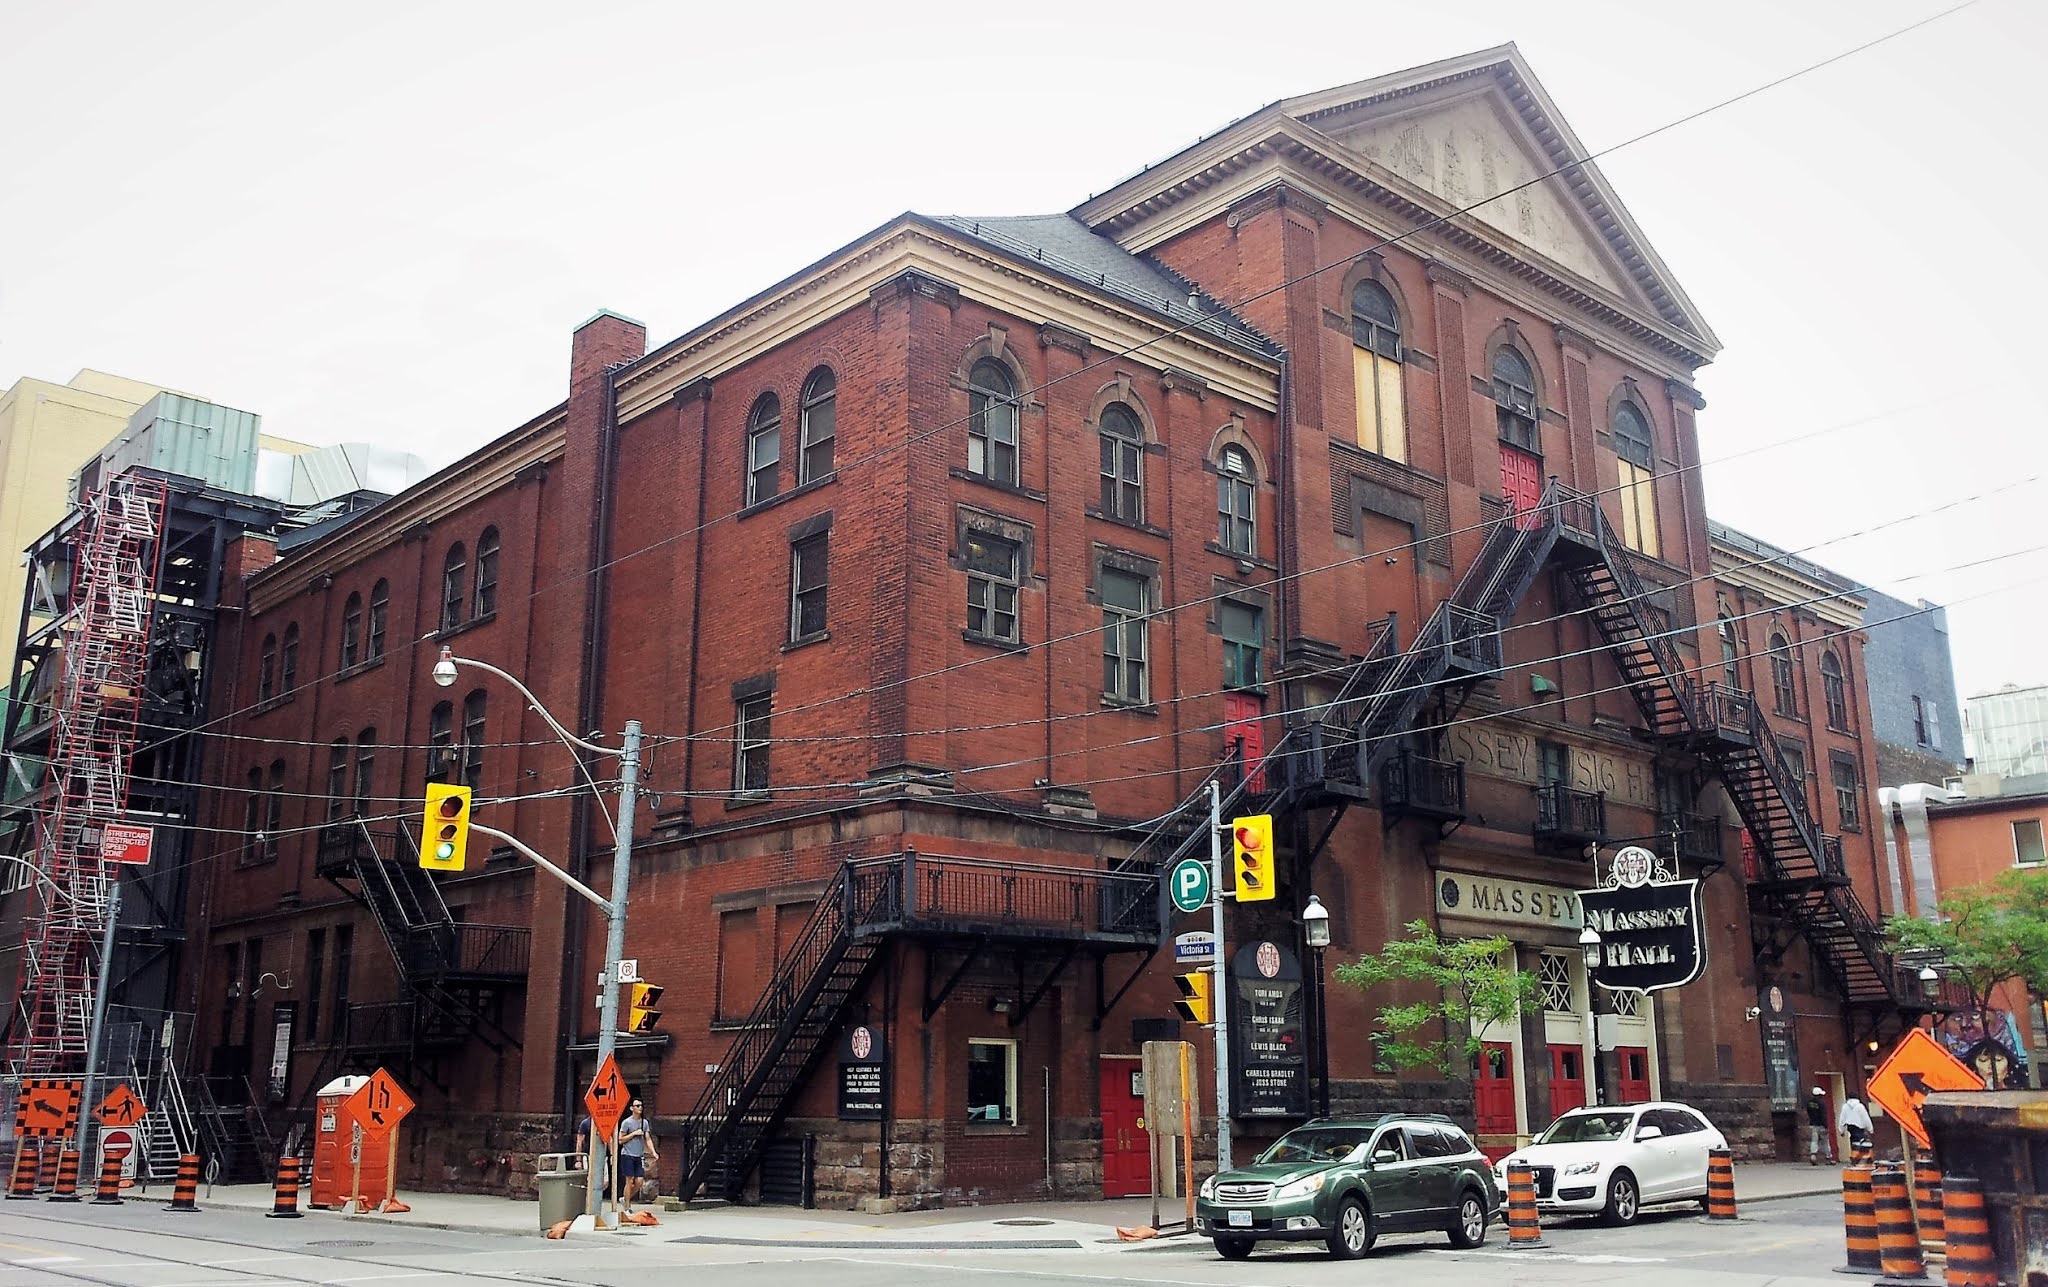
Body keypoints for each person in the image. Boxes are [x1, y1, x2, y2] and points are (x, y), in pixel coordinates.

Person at [617, 1099, 658, 1204]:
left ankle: (626, 1198)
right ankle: (627, 1206)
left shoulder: (644, 1123)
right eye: (637, 1106)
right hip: (627, 1154)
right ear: (632, 1108)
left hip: (639, 1155)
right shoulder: (627, 1123)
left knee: (639, 1181)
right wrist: (634, 1134)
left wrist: (653, 1152)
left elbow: (647, 1138)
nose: (640, 1108)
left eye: (641, 1106)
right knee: (629, 1181)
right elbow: (620, 1139)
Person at [1805, 1087, 1833, 1165]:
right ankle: (1828, 1157)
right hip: (1821, 1125)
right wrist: (1826, 1125)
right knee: (1825, 1142)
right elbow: (1823, 1115)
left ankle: (1813, 1156)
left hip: (1813, 1124)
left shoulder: (1809, 1103)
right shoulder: (1821, 1103)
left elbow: (1808, 1112)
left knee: (1814, 1141)